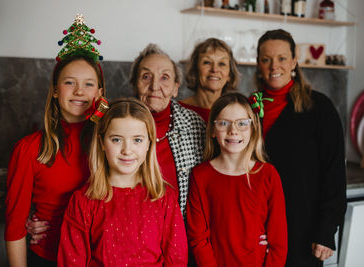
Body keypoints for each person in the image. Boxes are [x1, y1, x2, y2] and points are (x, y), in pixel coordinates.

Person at [5, 14, 106, 266]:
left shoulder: (112, 145)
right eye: (69, 82)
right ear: (55, 89)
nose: (79, 91)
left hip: (103, 258)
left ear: (100, 93)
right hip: (48, 259)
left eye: (89, 84)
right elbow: (15, 228)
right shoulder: (29, 149)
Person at [252, 29, 346, 267]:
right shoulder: (248, 107)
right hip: (255, 226)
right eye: (266, 59)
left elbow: (334, 173)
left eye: (282, 58)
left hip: (302, 229)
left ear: (294, 61)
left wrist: (326, 231)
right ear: (258, 64)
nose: (275, 66)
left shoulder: (319, 108)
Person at [57, 98, 188, 266]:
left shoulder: (163, 198)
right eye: (117, 139)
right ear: (102, 142)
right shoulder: (83, 202)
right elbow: (72, 261)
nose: (127, 150)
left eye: (137, 140)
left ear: (149, 143)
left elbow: (176, 259)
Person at [186, 92, 288, 266]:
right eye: (224, 123)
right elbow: (198, 239)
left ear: (253, 128)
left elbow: (279, 242)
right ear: (212, 130)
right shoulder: (200, 176)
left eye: (242, 124)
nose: (233, 131)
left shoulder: (268, 175)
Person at [129, 43, 205, 215]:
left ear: (176, 87)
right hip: (131, 231)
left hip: (183, 230)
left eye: (164, 77)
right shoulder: (117, 124)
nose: (155, 86)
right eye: (146, 77)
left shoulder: (195, 125)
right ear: (134, 83)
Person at [179, 38, 240, 123]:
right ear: (195, 70)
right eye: (207, 62)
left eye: (222, 64)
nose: (214, 69)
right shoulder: (177, 110)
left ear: (229, 74)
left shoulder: (236, 113)